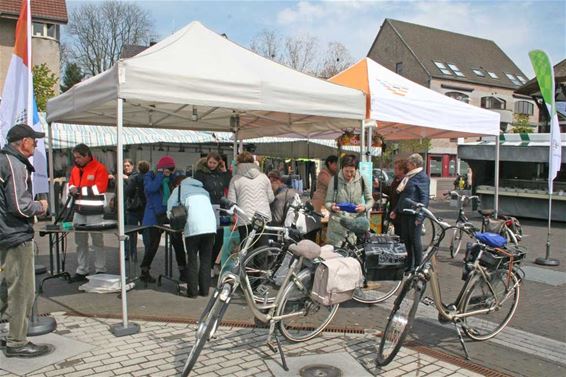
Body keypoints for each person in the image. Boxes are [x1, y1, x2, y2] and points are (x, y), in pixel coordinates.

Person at [0, 124, 53, 358]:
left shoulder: (4, 160)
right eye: (34, 140)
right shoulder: (15, 163)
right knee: (22, 290)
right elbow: (20, 206)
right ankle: (17, 342)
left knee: (6, 288)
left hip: (5, 233)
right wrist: (40, 207)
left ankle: (12, 337)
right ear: (23, 142)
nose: (36, 144)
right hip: (15, 234)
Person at [168, 177, 216, 298]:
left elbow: (170, 211)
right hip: (210, 227)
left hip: (193, 228)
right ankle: (205, 291)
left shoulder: (178, 190)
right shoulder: (204, 191)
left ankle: (192, 292)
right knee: (206, 259)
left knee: (192, 259)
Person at [140, 156, 186, 283]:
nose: (169, 172)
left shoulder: (171, 178)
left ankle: (183, 270)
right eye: (168, 169)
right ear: (161, 168)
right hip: (153, 215)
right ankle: (144, 271)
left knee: (177, 241)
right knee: (152, 245)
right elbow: (151, 189)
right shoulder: (150, 176)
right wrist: (160, 174)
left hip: (169, 213)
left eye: (172, 169)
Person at [68, 143, 109, 283]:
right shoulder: (75, 170)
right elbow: (71, 185)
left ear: (87, 155)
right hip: (79, 210)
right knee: (80, 242)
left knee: (97, 241)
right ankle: (82, 270)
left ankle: (100, 269)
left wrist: (78, 190)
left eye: (79, 157)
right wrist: (74, 189)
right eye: (75, 157)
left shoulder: (100, 168)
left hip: (95, 211)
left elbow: (100, 188)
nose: (76, 159)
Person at [194, 152, 231, 274]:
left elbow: (227, 183)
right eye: (210, 162)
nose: (212, 165)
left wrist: (225, 170)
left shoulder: (221, 173)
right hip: (206, 207)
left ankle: (211, 264)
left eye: (215, 163)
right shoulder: (200, 173)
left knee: (220, 238)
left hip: (219, 208)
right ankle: (206, 265)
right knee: (208, 238)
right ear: (206, 161)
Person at [325, 154, 374, 247]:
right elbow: (327, 202)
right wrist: (332, 207)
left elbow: (370, 200)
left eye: (352, 171)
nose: (349, 174)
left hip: (356, 228)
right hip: (337, 229)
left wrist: (365, 207)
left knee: (354, 258)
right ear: (342, 168)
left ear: (356, 169)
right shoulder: (334, 180)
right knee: (337, 257)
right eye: (346, 171)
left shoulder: (362, 179)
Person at [392, 153, 430, 272]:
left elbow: (424, 198)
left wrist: (420, 216)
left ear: (414, 164)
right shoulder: (410, 176)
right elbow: (404, 196)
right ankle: (409, 265)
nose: (407, 166)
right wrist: (396, 210)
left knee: (415, 241)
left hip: (414, 214)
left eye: (408, 163)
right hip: (404, 213)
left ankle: (418, 265)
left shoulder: (422, 177)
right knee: (406, 240)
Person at [227, 151, 274, 245]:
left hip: (245, 219)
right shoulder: (264, 177)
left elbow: (231, 202)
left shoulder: (235, 179)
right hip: (263, 217)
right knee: (261, 250)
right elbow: (271, 198)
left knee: (246, 250)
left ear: (238, 163)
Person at [124, 160, 149, 261]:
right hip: (146, 209)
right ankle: (148, 254)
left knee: (131, 232)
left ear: (138, 168)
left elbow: (128, 192)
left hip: (133, 209)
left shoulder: (134, 178)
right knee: (147, 233)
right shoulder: (150, 178)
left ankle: (131, 254)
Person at [378, 159, 408, 236]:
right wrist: (379, 186)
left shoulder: (405, 181)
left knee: (401, 234)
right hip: (394, 211)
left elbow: (402, 198)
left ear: (402, 170)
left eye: (396, 168)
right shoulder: (396, 179)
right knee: (397, 232)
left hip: (400, 213)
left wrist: (395, 210)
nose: (394, 170)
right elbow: (391, 191)